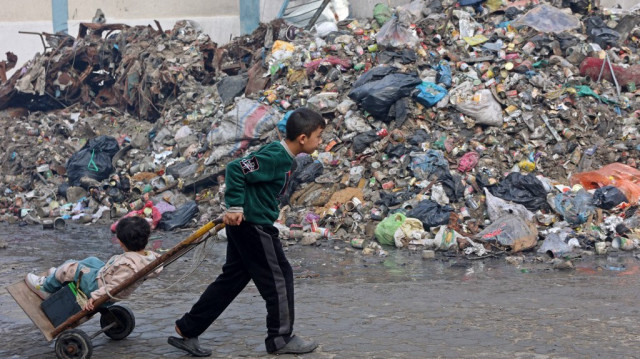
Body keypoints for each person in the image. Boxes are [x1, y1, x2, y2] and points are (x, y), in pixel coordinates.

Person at [168, 107, 325, 357]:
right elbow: (236, 168)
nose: (321, 142)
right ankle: (280, 338)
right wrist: (235, 206)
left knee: (231, 280)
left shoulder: (285, 159)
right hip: (254, 226)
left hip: (249, 225)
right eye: (319, 136)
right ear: (303, 138)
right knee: (280, 279)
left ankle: (188, 327)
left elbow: (255, 182)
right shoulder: (276, 155)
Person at [25, 216, 162, 311]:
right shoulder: (147, 257)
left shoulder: (128, 266)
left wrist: (95, 297)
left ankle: (46, 287)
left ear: (122, 242)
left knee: (72, 268)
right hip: (104, 276)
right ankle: (58, 275)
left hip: (97, 287)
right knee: (92, 261)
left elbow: (115, 287)